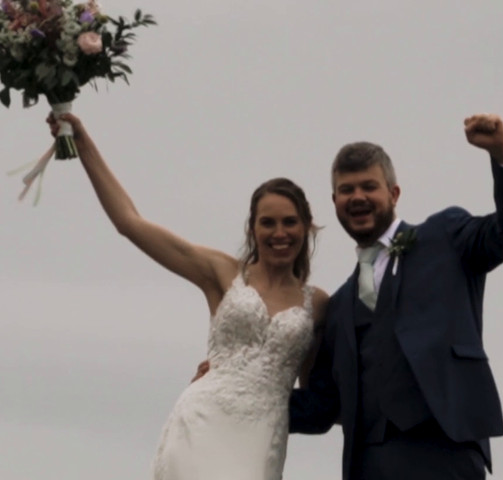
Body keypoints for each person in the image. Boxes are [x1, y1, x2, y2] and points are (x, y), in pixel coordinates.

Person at [46, 113, 330, 480]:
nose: (280, 233)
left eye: (290, 222)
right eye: (268, 223)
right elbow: (130, 222)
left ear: (306, 227)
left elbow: (313, 397)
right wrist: (82, 141)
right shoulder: (223, 273)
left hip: (261, 437)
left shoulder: (319, 305)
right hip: (202, 421)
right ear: (252, 228)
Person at [287, 113, 503, 480]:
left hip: (444, 452)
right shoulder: (340, 306)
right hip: (368, 465)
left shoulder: (445, 237)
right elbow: (321, 406)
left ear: (393, 193)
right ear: (335, 201)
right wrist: (233, 393)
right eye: (347, 190)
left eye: (368, 186)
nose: (357, 197)